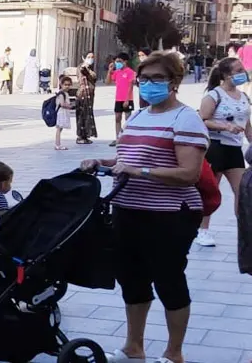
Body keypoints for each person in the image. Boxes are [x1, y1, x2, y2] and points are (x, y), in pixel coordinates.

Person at [80, 51, 206, 363]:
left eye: (157, 78)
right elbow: (129, 160)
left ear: (174, 82)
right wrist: (102, 162)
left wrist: (142, 173)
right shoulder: (140, 115)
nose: (148, 84)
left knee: (169, 280)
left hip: (169, 215)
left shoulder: (185, 118)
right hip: (128, 209)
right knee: (131, 278)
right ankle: (133, 347)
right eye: (144, 78)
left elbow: (189, 173)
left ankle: (174, 353)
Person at [196, 57, 252, 247]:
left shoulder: (243, 96)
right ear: (227, 75)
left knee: (243, 192)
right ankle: (203, 230)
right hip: (216, 148)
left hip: (235, 150)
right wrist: (225, 127)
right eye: (238, 70)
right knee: (211, 190)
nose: (242, 72)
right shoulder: (214, 95)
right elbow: (202, 119)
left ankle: (244, 230)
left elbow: (246, 124)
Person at [108, 53, 136, 147]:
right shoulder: (117, 72)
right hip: (118, 99)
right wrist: (110, 71)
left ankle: (128, 138)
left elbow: (130, 86)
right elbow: (108, 82)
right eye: (117, 61)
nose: (118, 63)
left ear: (125, 62)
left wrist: (127, 100)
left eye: (120, 61)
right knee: (117, 118)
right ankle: (118, 138)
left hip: (128, 99)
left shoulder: (130, 72)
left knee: (128, 119)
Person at [75, 52, 97, 145]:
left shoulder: (89, 68)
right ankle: (80, 136)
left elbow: (94, 77)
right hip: (83, 95)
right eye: (88, 57)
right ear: (83, 57)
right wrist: (87, 70)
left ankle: (86, 136)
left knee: (88, 115)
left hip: (90, 95)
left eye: (92, 57)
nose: (90, 59)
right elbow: (88, 75)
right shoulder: (82, 67)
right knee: (82, 115)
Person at [54, 75, 74, 151]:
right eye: (65, 85)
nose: (67, 86)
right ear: (61, 85)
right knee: (59, 129)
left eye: (69, 85)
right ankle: (57, 145)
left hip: (63, 112)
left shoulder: (65, 93)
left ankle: (57, 144)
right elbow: (62, 104)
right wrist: (70, 106)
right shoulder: (62, 93)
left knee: (59, 129)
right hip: (61, 113)